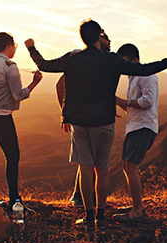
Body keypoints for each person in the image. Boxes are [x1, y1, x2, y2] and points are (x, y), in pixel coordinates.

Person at [24, 19, 167, 231]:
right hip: (105, 122)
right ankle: (101, 217)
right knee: (103, 170)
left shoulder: (73, 59)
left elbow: (45, 65)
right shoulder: (111, 60)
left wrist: (31, 48)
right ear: (99, 37)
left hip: (81, 123)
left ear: (83, 37)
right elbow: (146, 69)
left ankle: (89, 218)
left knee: (85, 169)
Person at [0, 32, 43, 210]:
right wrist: (34, 83)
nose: (15, 49)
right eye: (14, 46)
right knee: (13, 156)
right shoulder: (9, 65)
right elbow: (18, 95)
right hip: (0, 114)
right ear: (8, 44)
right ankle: (15, 200)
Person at [55, 29, 111, 208]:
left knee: (89, 160)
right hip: (82, 117)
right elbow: (60, 83)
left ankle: (83, 199)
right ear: (98, 39)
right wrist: (65, 112)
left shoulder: (101, 61)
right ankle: (79, 197)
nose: (110, 42)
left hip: (95, 116)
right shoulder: (80, 58)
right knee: (86, 161)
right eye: (106, 39)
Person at [113, 43, 162, 222]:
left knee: (130, 167)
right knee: (127, 166)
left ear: (134, 60)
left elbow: (147, 102)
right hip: (135, 126)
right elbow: (134, 106)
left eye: (124, 62)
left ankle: (136, 213)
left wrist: (121, 101)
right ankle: (137, 205)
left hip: (143, 127)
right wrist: (119, 103)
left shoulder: (146, 74)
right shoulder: (133, 77)